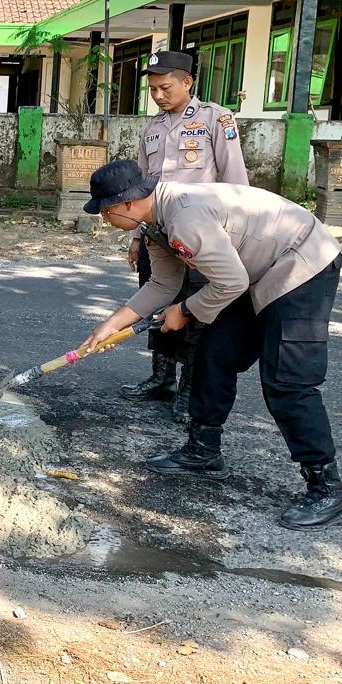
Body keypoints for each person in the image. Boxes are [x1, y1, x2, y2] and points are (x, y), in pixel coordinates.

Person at [79, 160, 342, 531]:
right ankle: (203, 451)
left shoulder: (183, 217)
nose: (105, 220)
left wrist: (186, 310)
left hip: (299, 263)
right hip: (251, 273)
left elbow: (229, 282)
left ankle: (327, 487)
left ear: (127, 203)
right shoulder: (154, 224)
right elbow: (162, 286)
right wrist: (109, 325)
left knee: (287, 379)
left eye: (106, 212)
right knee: (214, 353)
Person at [121, 50, 249, 423]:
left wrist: (234, 236)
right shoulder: (152, 128)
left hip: (202, 234)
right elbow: (140, 189)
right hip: (158, 232)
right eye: (153, 89)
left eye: (165, 87)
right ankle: (162, 377)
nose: (158, 95)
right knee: (158, 301)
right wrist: (135, 237)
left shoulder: (216, 119)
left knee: (195, 311)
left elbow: (235, 179)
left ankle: (192, 389)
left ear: (187, 81)